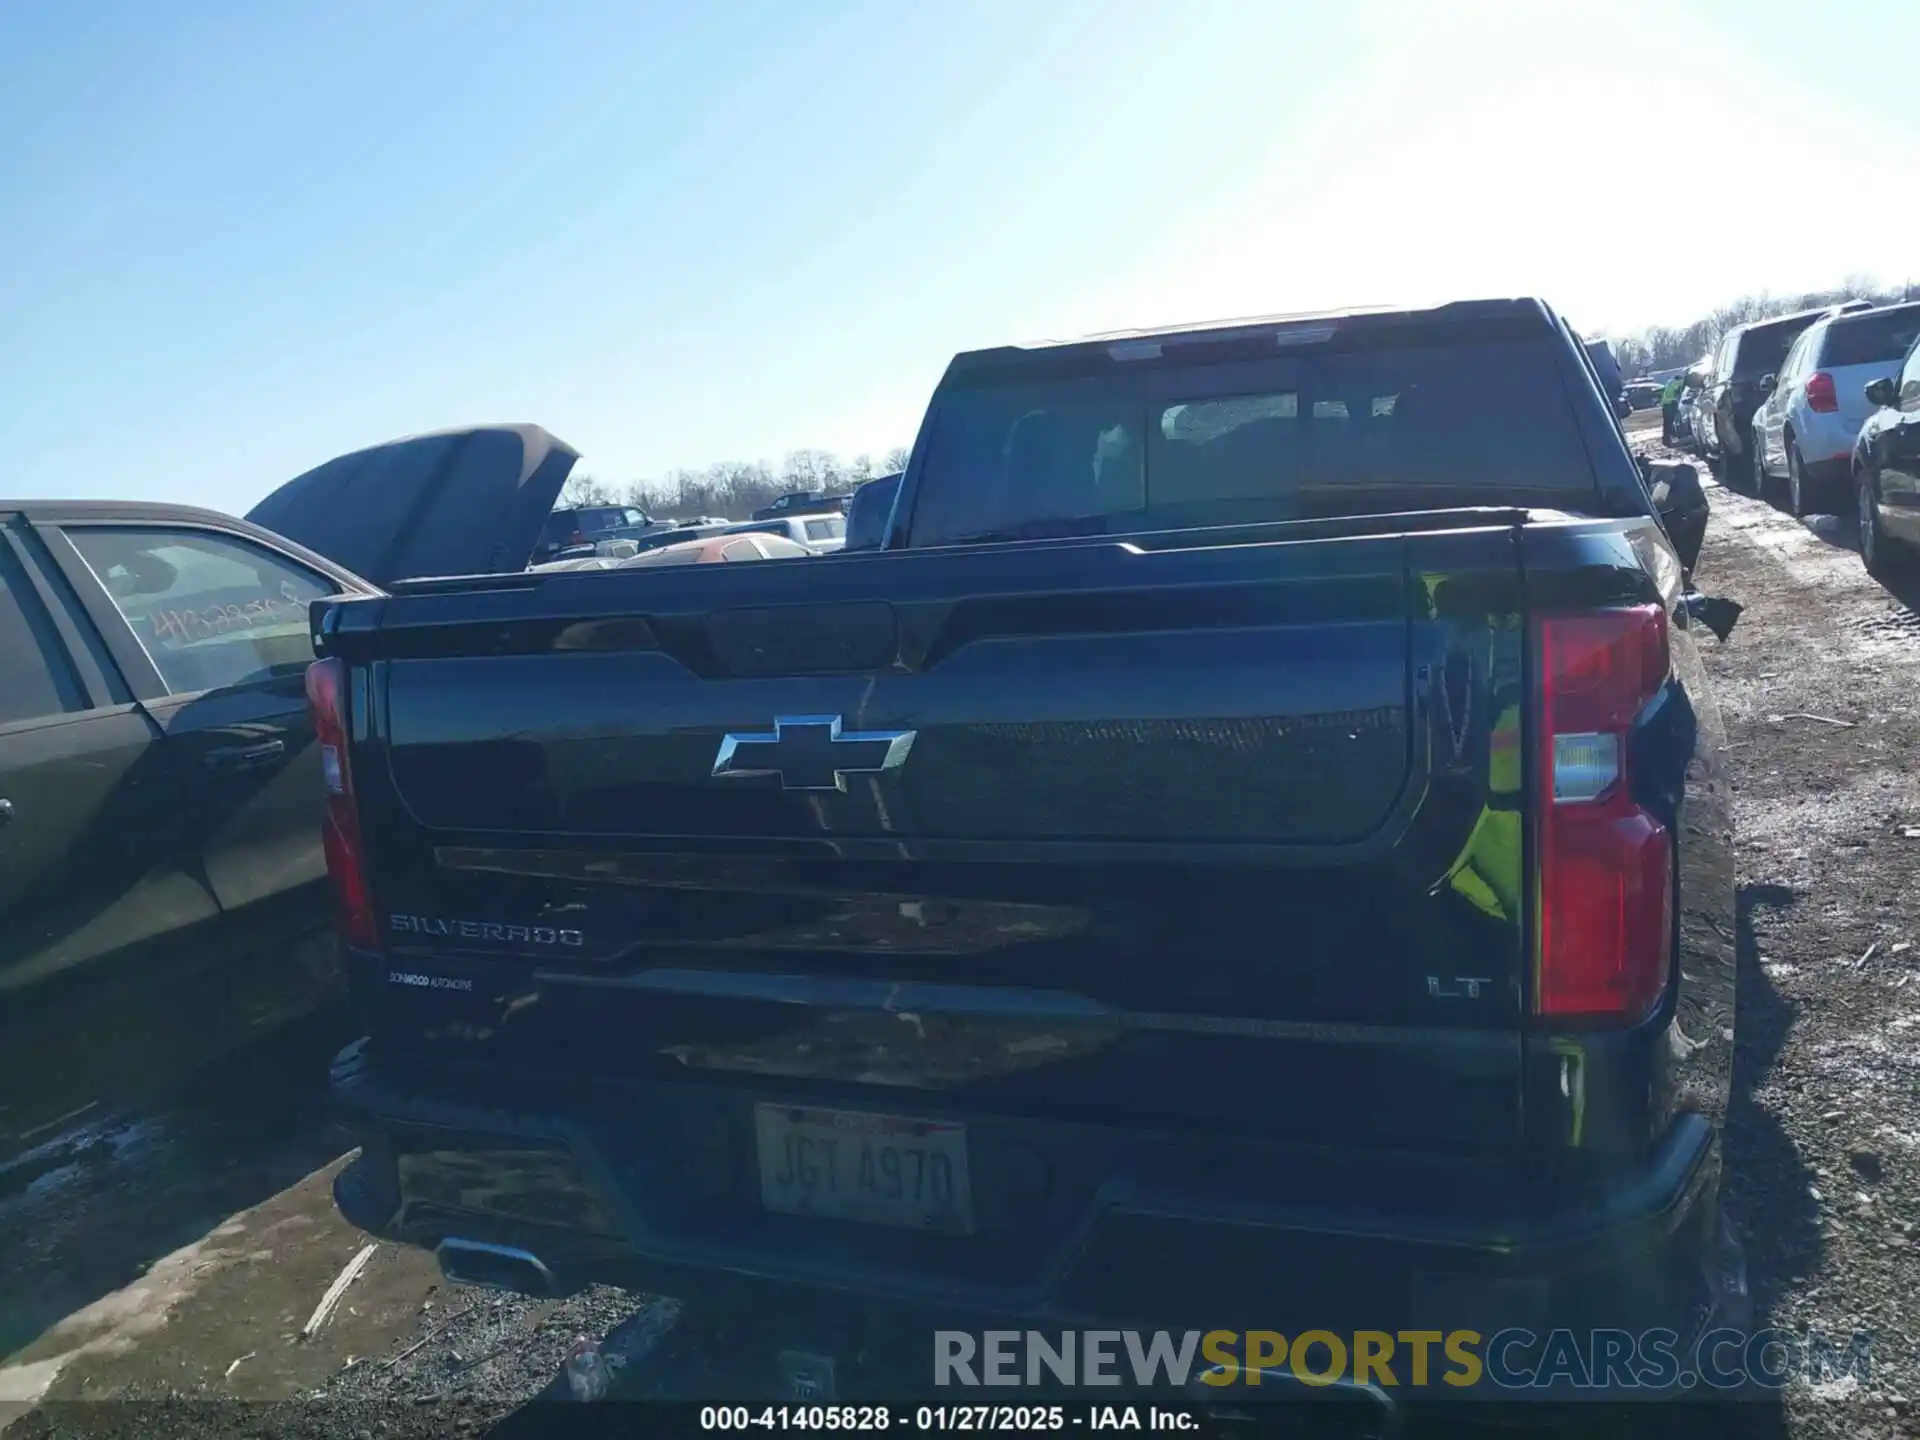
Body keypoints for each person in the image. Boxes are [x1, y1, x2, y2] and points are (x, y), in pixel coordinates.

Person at [1661, 373, 1685, 446]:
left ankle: (1666, 440)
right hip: (1671, 404)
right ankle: (1671, 438)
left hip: (1665, 404)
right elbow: (1678, 392)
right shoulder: (1679, 382)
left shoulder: (1669, 382)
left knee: (1666, 423)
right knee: (1670, 423)